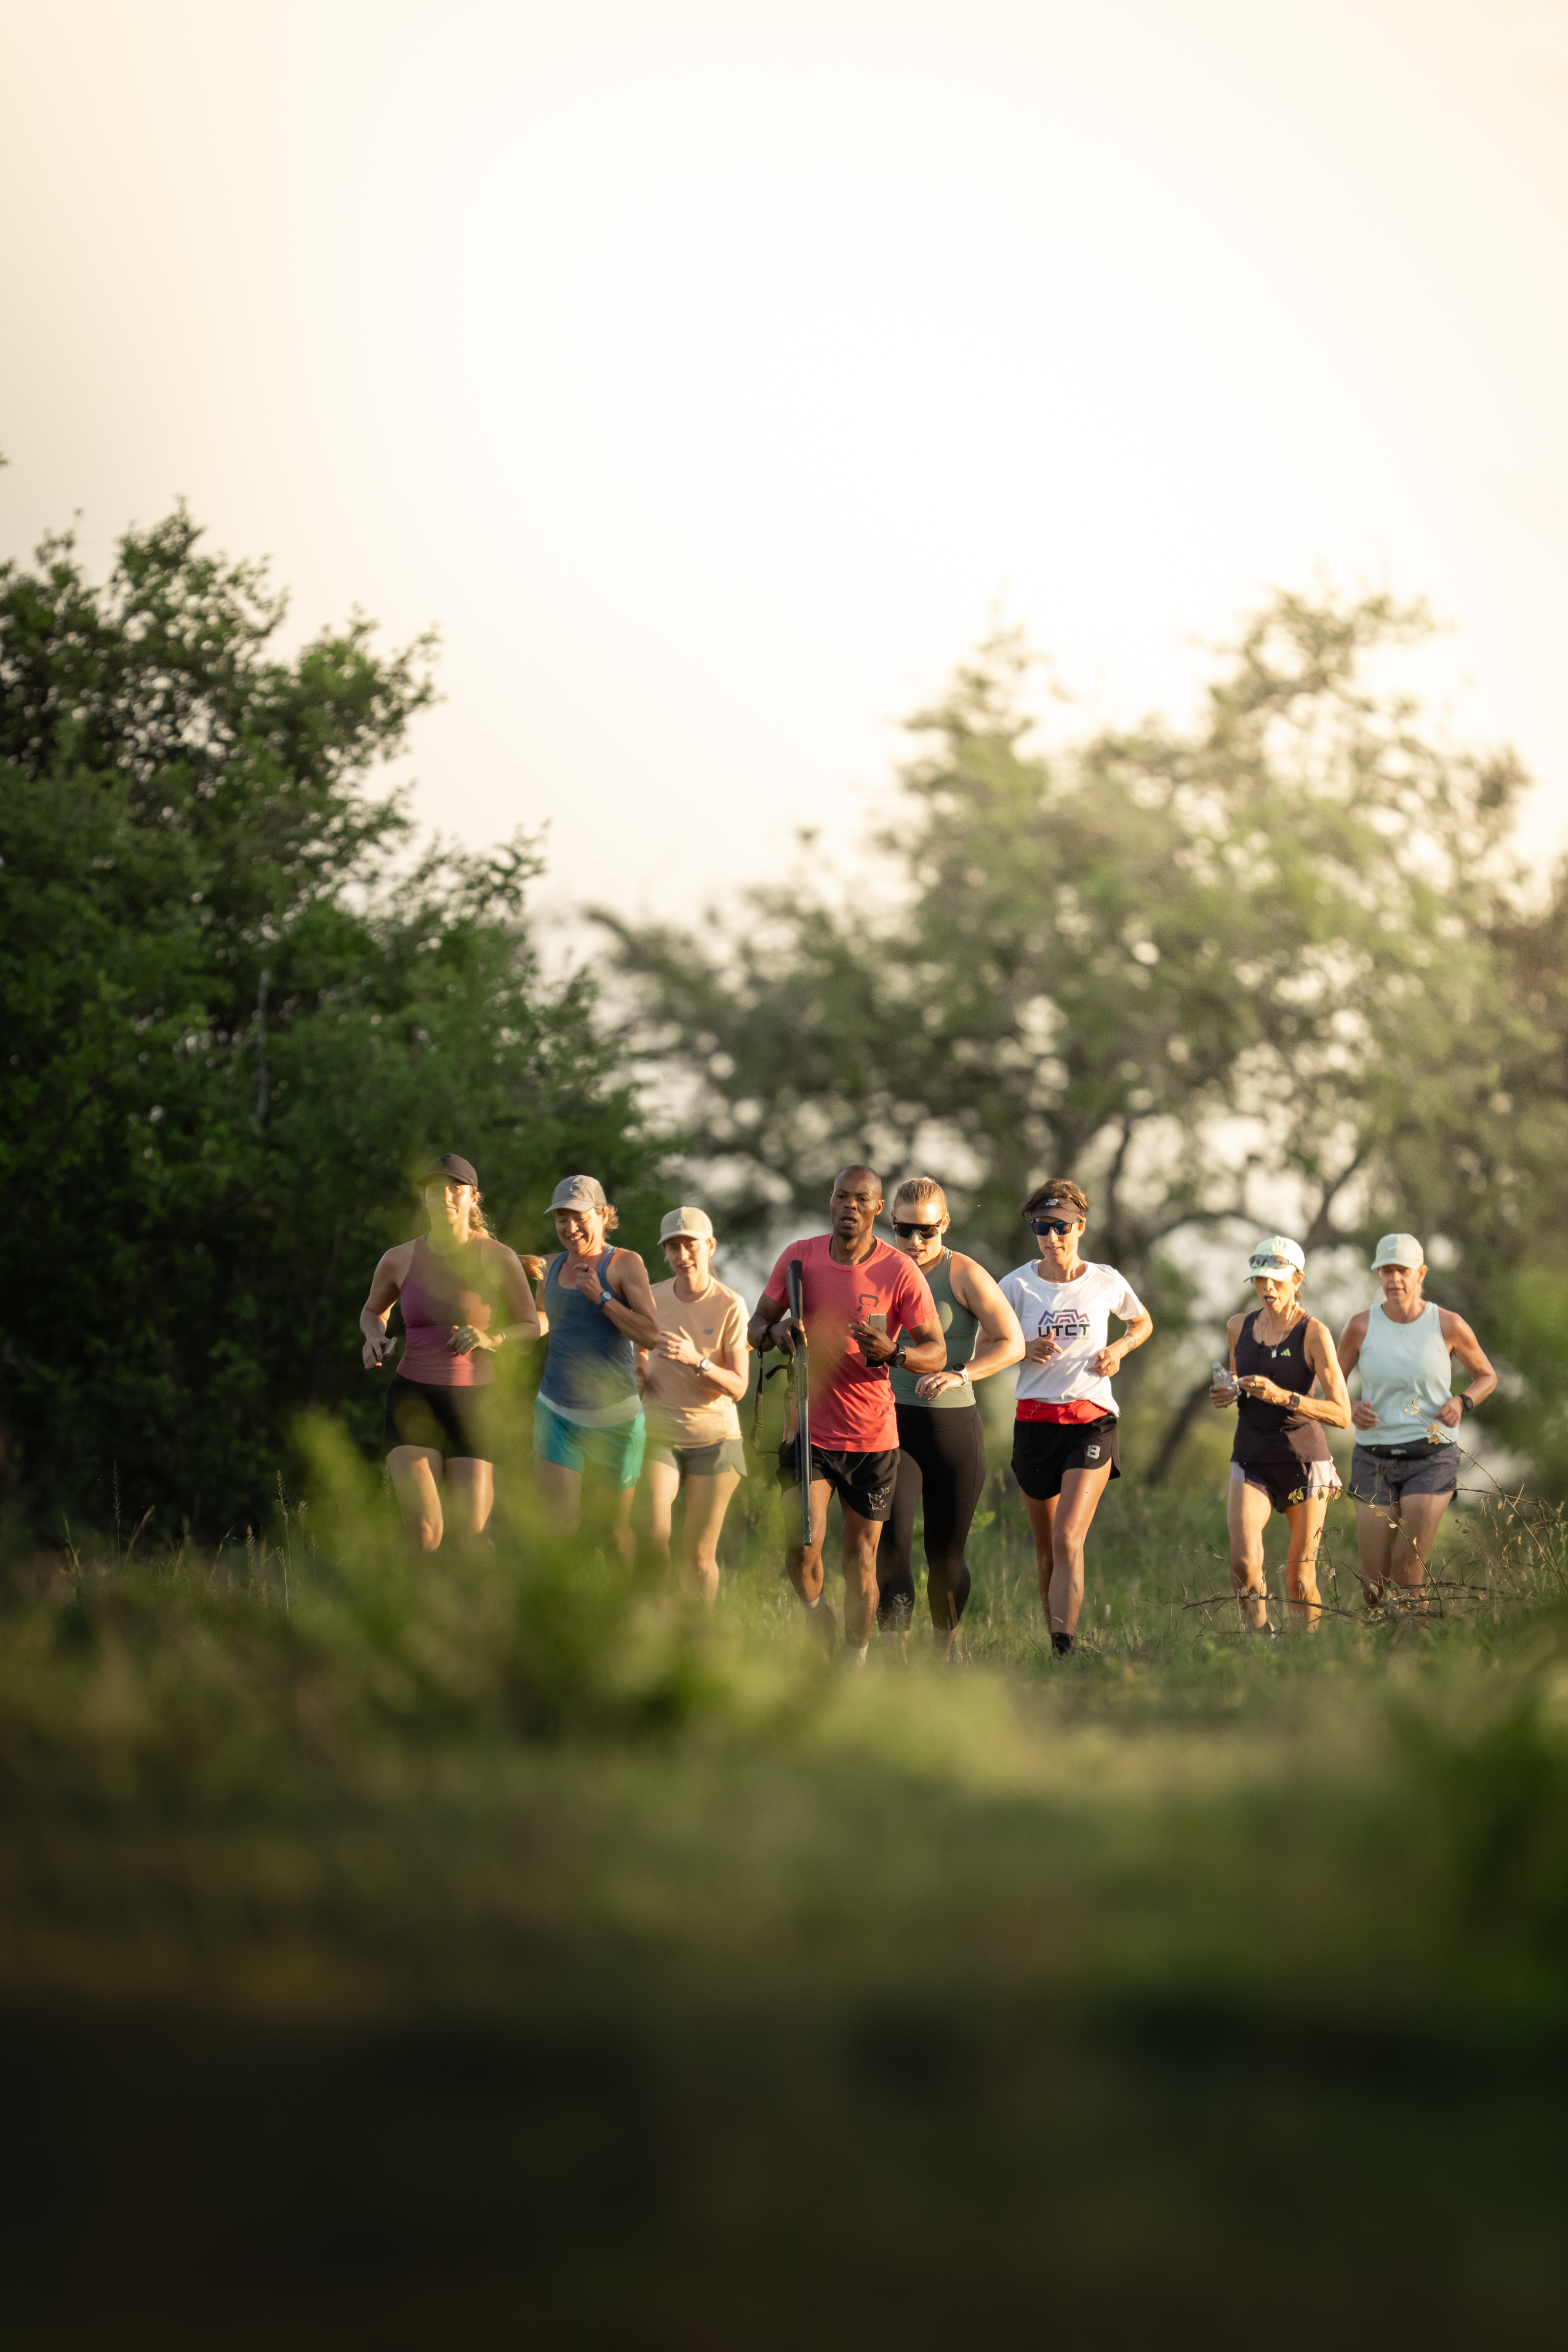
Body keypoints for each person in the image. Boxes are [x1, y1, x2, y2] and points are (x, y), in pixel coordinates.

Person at [748, 1166, 946, 1663]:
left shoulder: (898, 1270)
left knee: (860, 1561)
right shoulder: (799, 1256)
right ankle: (817, 1613)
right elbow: (756, 1327)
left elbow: (936, 1351)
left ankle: (854, 1663)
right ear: (830, 1201)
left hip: (871, 1436)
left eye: (861, 1199)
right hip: (808, 1427)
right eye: (841, 1197)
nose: (849, 1206)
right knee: (801, 1544)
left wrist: (894, 1354)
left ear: (878, 1209)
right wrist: (777, 1335)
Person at [998, 1181, 1152, 1656]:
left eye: (1061, 1227)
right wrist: (1022, 1348)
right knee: (1047, 1550)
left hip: (1091, 1422)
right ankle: (1055, 1651)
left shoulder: (1105, 1280)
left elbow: (1141, 1321)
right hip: (1033, 1424)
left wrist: (1119, 1349)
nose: (1052, 1237)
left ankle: (1067, 1649)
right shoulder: (1015, 1285)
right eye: (1042, 1228)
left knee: (1068, 1537)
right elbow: (985, 1344)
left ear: (1080, 1227)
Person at [359, 1152, 541, 1552]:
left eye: (455, 1189)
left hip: (475, 1404)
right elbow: (373, 1312)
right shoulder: (399, 1258)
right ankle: (415, 1615)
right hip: (413, 1398)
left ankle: (483, 1613)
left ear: (474, 1198)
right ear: (423, 1199)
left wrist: (491, 1338)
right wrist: (374, 1337)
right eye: (434, 1190)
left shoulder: (497, 1257)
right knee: (424, 1533)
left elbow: (530, 1326)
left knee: (470, 1540)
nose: (445, 1197)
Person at [877, 1178, 1025, 1658]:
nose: (914, 1243)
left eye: (925, 1231)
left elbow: (1012, 1343)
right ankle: (895, 1661)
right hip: (890, 1426)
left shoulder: (963, 1273)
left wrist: (961, 1374)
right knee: (892, 1543)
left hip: (951, 1429)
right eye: (903, 1230)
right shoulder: (878, 1270)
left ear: (944, 1224)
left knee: (944, 1554)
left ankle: (946, 1652)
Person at [1336, 1232, 1496, 1611]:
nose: (1394, 1279)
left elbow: (1486, 1376)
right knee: (1374, 1586)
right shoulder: (1360, 1326)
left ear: (1420, 1273)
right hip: (1373, 1458)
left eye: (1402, 1271)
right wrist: (1351, 1405)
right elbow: (1330, 1387)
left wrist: (1463, 1401)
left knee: (1408, 1575)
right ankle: (1376, 1661)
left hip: (1432, 1457)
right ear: (1378, 1275)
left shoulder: (1449, 1325)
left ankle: (1413, 1664)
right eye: (1386, 1271)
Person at [1209, 1236, 1352, 1633]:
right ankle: (1261, 1647)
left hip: (1303, 1462)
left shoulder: (1314, 1334)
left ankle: (1303, 1662)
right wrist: (1227, 1391)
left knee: (1300, 1581)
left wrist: (1283, 1397)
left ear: (1297, 1279)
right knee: (1242, 1564)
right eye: (1259, 1280)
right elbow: (1239, 1382)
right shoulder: (1238, 1326)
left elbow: (1342, 1414)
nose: (1266, 1288)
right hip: (1251, 1455)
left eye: (1276, 1279)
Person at [531, 1174, 660, 1563]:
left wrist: (602, 1297)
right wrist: (500, 1337)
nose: (569, 1228)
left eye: (579, 1217)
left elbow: (651, 1335)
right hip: (556, 1411)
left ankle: (622, 1618)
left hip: (615, 1417)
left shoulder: (624, 1264)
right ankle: (561, 1618)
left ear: (603, 1215)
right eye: (561, 1219)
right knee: (558, 1526)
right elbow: (543, 1319)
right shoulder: (550, 1266)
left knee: (613, 1533)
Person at [638, 1206, 751, 1603]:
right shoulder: (650, 1298)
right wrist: (638, 1375)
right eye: (673, 1246)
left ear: (710, 1247)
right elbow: (637, 1355)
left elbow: (738, 1387)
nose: (682, 1255)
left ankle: (698, 1638)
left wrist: (697, 1360)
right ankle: (658, 1626)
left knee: (699, 1558)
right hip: (659, 1434)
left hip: (715, 1439)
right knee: (653, 1536)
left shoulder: (730, 1305)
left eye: (690, 1245)